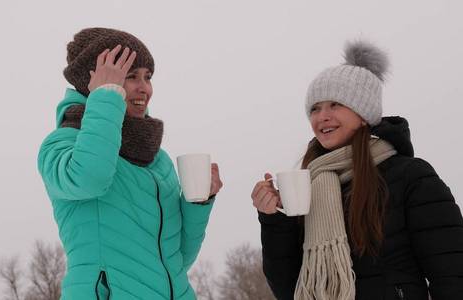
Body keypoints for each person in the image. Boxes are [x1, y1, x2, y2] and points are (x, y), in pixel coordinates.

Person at [252, 40, 463, 299]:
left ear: (364, 114)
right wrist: (274, 219)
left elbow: (453, 275)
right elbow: (289, 289)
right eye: (315, 109)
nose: (322, 116)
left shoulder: (411, 177)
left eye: (335, 104)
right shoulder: (309, 186)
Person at [37, 27, 223, 299]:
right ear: (95, 81)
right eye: (129, 76)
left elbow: (176, 259)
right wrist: (107, 96)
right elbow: (90, 178)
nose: (144, 88)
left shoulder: (158, 160)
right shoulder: (61, 144)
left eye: (147, 77)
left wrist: (198, 203)